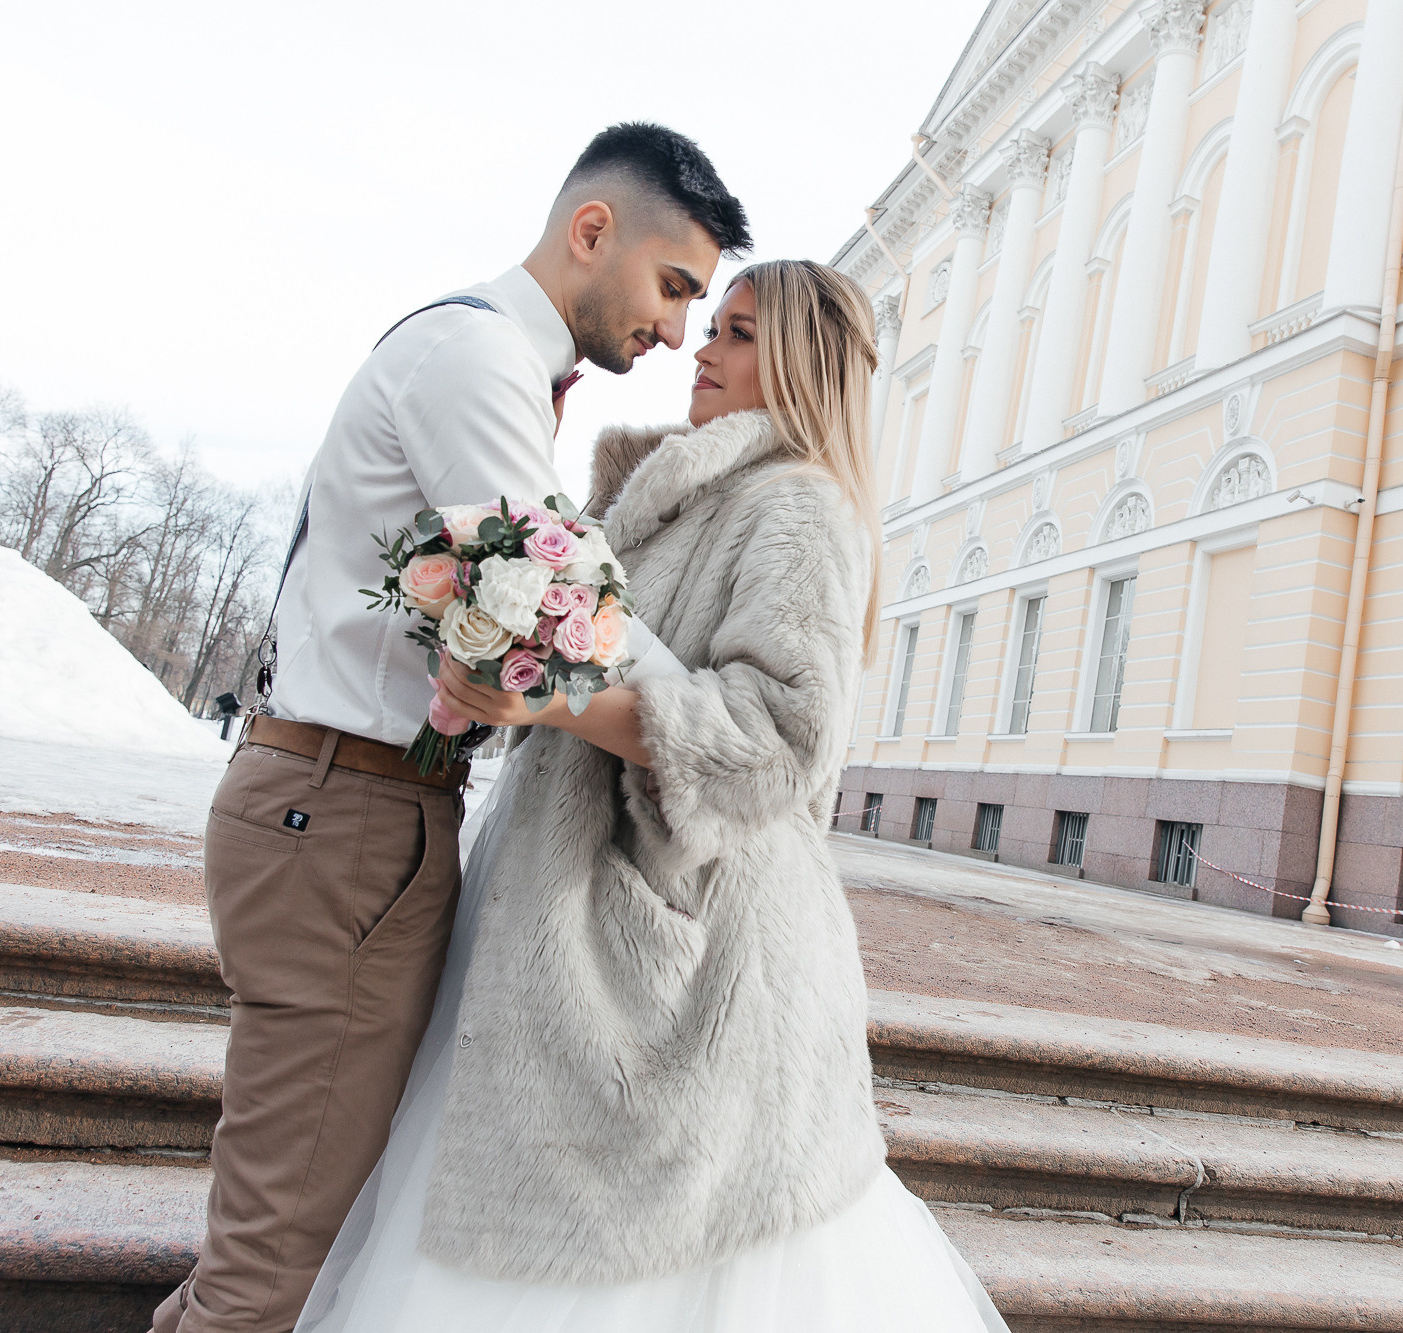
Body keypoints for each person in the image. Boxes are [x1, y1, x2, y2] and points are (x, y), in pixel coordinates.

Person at [295, 261, 1009, 1331]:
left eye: (737, 332)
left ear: (802, 363)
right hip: (569, 911)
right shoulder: (669, 495)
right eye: (709, 324)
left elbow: (781, 736)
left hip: (694, 946)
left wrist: (553, 700)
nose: (702, 350)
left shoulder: (797, 505)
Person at [154, 124, 752, 1333]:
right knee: (276, 1259)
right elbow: (564, 606)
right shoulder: (478, 360)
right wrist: (726, 726)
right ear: (593, 231)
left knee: (285, 1227)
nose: (678, 332)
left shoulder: (479, 352)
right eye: (674, 287)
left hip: (350, 806)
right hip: (348, 814)